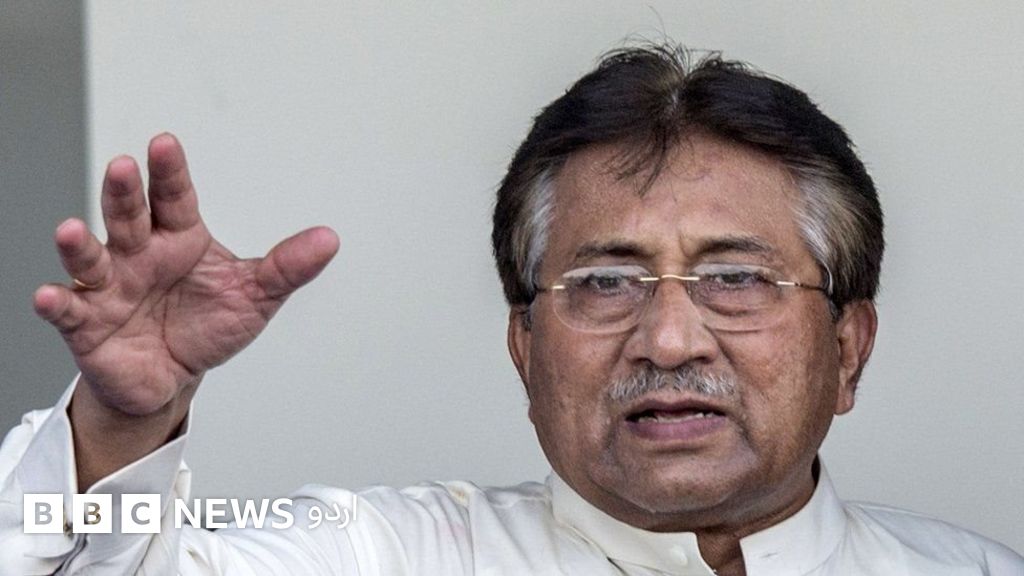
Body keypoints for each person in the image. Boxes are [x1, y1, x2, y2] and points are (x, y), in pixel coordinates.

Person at [1, 42, 1021, 576]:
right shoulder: (379, 556)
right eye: (605, 282)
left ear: (848, 348)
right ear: (524, 347)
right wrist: (121, 425)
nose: (669, 340)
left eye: (735, 279)